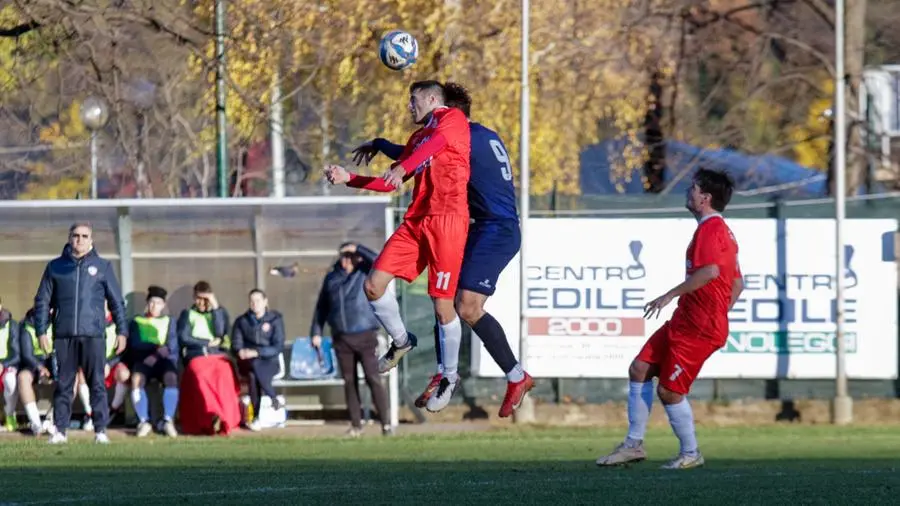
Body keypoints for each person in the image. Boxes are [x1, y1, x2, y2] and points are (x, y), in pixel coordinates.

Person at [351, 82, 534, 416]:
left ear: (447, 111)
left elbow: (426, 149)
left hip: (497, 228)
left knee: (465, 306)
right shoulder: (478, 134)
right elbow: (418, 153)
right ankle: (450, 372)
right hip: (480, 226)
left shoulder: (457, 131)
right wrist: (381, 147)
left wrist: (400, 162)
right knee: (448, 301)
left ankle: (511, 375)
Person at [324, 80, 471, 412]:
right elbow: (391, 179)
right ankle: (402, 342)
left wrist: (404, 164)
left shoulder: (453, 120)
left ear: (433, 99)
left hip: (448, 220)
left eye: (414, 100)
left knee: (442, 306)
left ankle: (448, 375)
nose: (410, 107)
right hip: (417, 222)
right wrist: (351, 179)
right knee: (373, 286)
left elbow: (436, 145)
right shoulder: (418, 139)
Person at [595, 168, 743, 469]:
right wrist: (713, 310)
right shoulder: (719, 230)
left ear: (705, 197)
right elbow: (737, 283)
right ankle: (633, 445)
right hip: (687, 319)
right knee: (639, 368)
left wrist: (671, 295)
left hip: (698, 326)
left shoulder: (711, 229)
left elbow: (709, 272)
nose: (688, 192)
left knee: (670, 391)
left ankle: (691, 453)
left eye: (693, 188)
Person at [33, 222, 127, 444]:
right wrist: (41, 330)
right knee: (64, 384)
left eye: (85, 236)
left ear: (91, 240)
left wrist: (122, 330)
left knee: (97, 384)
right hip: (64, 336)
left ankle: (101, 431)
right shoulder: (55, 267)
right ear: (69, 238)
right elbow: (42, 301)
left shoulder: (103, 267)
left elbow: (116, 302)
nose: (80, 240)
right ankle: (60, 432)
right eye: (76, 235)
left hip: (93, 335)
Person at [309, 242, 392, 437]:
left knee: (373, 378)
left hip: (365, 335)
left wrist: (358, 248)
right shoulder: (331, 279)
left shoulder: (365, 273)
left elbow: (380, 260)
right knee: (349, 381)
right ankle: (356, 425)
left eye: (350, 256)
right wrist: (316, 331)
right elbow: (322, 307)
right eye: (344, 256)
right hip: (342, 338)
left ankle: (386, 424)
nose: (346, 260)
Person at [129, 285, 179, 438]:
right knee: (137, 379)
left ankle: (167, 420)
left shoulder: (169, 321)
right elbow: (136, 343)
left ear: (163, 305)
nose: (154, 306)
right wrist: (157, 347)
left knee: (171, 378)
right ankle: (144, 421)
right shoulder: (137, 320)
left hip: (163, 360)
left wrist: (156, 354)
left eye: (158, 303)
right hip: (144, 360)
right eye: (151, 302)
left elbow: (171, 346)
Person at [232, 289, 286, 432]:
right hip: (247, 363)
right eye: (252, 301)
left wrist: (258, 352)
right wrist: (240, 351)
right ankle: (272, 397)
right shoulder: (242, 321)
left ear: (265, 302)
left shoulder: (275, 319)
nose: (254, 304)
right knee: (253, 369)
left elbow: (278, 346)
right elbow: (236, 344)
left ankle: (256, 417)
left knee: (254, 374)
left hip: (270, 361)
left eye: (258, 301)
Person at [74, 301, 130, 432]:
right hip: (94, 363)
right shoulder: (87, 321)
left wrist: (109, 364)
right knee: (81, 374)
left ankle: (112, 411)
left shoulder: (118, 323)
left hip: (112, 364)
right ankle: (91, 414)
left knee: (124, 374)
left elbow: (123, 351)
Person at [17, 307, 55, 435]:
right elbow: (27, 354)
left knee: (73, 377)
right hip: (33, 363)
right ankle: (36, 423)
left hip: (52, 361)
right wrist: (39, 368)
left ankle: (53, 420)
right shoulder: (27, 326)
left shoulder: (56, 322)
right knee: (23, 377)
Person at [177, 281, 230, 362]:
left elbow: (220, 334)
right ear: (194, 297)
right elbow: (184, 337)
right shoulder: (188, 313)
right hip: (196, 352)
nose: (202, 303)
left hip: (216, 352)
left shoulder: (219, 312)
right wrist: (206, 343)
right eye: (198, 298)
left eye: (205, 299)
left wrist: (215, 307)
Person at [0, 299, 20, 431]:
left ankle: (9, 416)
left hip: (7, 364)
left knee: (10, 380)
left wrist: (3, 364)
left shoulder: (11, 325)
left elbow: (17, 354)